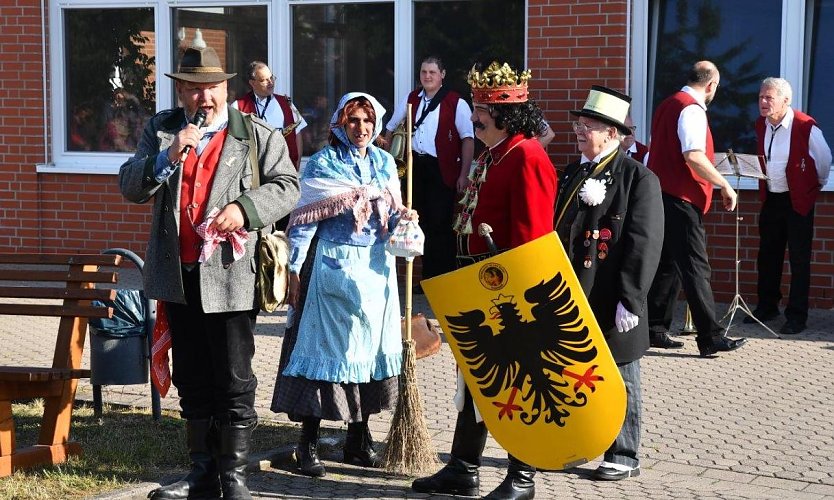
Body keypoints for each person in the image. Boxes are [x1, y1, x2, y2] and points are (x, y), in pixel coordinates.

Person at [119, 45, 300, 500]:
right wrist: (166, 158)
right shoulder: (161, 130)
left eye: (213, 88)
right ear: (181, 91)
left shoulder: (254, 134)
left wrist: (245, 208)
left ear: (227, 88)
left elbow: (288, 186)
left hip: (230, 277)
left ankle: (234, 477)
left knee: (234, 380)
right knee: (193, 380)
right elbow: (129, 185)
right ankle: (202, 474)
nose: (205, 98)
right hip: (178, 277)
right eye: (195, 89)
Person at [412, 61, 557, 500]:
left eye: (481, 111)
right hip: (478, 284)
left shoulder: (527, 155)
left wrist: (516, 296)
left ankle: (523, 476)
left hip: (510, 294)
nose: (473, 118)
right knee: (476, 379)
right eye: (475, 109)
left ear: (505, 115)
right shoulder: (494, 153)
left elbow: (532, 239)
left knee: (517, 382)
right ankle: (463, 468)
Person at [271, 92, 413, 478]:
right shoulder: (321, 164)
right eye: (354, 121)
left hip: (376, 271)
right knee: (326, 353)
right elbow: (301, 225)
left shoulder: (385, 163)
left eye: (368, 122)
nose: (362, 129)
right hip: (333, 267)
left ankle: (357, 439)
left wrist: (405, 220)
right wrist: (294, 270)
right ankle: (308, 444)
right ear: (339, 123)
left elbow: (391, 220)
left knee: (366, 354)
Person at [554, 85, 664, 481]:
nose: (580, 131)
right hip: (572, 292)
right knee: (571, 374)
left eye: (591, 125)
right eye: (580, 124)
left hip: (612, 294)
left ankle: (624, 453)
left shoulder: (638, 178)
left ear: (614, 134)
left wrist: (631, 301)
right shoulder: (572, 172)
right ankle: (573, 445)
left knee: (621, 376)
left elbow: (644, 244)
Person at [646, 60, 747, 357]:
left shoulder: (668, 103)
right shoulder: (691, 108)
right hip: (681, 198)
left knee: (669, 265)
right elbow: (693, 156)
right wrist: (724, 185)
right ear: (711, 85)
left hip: (663, 194)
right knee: (695, 267)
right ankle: (710, 336)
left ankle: (654, 328)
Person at [743, 77, 831, 334]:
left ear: (785, 100)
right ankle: (767, 306)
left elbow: (824, 161)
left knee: (799, 258)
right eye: (761, 97)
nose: (763, 102)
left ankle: (797, 316)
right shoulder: (761, 125)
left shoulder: (805, 126)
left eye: (769, 98)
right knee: (768, 254)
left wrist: (813, 186)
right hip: (772, 197)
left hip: (797, 199)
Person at [384, 56, 475, 287]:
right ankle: (425, 280)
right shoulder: (411, 98)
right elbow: (391, 127)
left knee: (440, 225)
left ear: (442, 75)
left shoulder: (456, 102)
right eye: (424, 72)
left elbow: (468, 139)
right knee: (418, 223)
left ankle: (441, 281)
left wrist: (464, 174)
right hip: (416, 169)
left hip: (441, 169)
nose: (427, 76)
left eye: (432, 72)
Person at [232, 61, 307, 170]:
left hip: (284, 168)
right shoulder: (238, 106)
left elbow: (297, 135)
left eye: (271, 78)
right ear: (252, 83)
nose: (271, 82)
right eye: (264, 80)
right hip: (254, 172)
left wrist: (297, 165)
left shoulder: (286, 103)